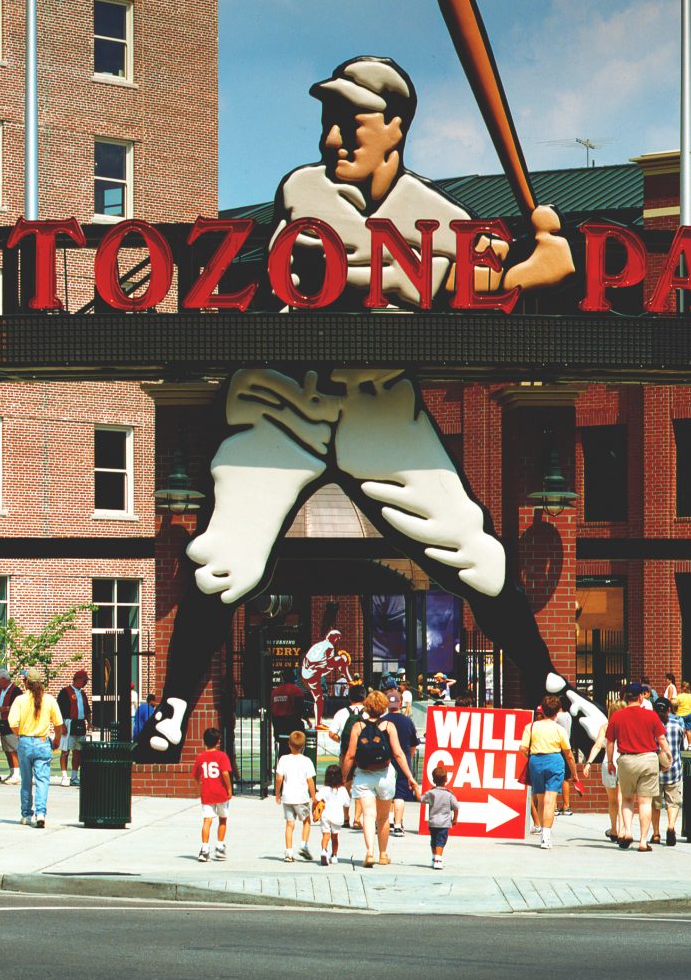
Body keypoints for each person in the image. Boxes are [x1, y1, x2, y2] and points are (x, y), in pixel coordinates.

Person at [151, 54, 577, 761]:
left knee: (474, 551)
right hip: (288, 394)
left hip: (378, 400)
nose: (333, 138)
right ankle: (169, 707)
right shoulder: (307, 188)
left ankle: (551, 689)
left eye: (351, 121)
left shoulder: (438, 213)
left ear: (396, 128)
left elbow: (470, 268)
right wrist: (506, 274)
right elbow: (361, 270)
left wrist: (540, 269)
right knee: (226, 559)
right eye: (329, 120)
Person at [341, 689, 420, 868]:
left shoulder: (358, 727)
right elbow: (399, 754)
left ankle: (369, 852)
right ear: (384, 707)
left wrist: (343, 777)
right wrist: (410, 777)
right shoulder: (388, 726)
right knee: (383, 817)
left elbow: (350, 755)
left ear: (367, 707)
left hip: (363, 774)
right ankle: (383, 854)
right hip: (385, 774)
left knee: (368, 814)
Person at [605, 689, 669, 851]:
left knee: (627, 799)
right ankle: (642, 842)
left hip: (626, 760)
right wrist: (668, 756)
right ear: (641, 697)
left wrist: (611, 761)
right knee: (645, 801)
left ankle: (626, 832)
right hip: (648, 759)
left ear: (626, 698)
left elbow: (610, 742)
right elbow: (661, 739)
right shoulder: (651, 715)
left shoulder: (617, 716)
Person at [521, 691, 582, 850]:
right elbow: (568, 754)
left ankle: (542, 830)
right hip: (555, 760)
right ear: (556, 712)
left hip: (535, 761)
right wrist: (574, 774)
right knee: (550, 800)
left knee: (541, 800)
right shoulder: (559, 729)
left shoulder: (531, 726)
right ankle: (546, 836)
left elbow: (523, 748)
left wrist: (532, 754)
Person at [9, 666, 64, 827]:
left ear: (26, 682)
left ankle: (26, 814)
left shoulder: (20, 700)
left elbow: (12, 722)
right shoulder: (49, 699)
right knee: (42, 780)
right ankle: (41, 813)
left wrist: (20, 733)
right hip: (42, 741)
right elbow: (59, 723)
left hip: (25, 741)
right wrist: (57, 739)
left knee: (26, 780)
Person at [274, 728, 318, 862]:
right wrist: (314, 796)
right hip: (302, 798)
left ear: (289, 744)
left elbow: (279, 778)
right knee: (306, 821)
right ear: (303, 746)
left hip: (287, 797)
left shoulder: (283, 759)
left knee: (289, 824)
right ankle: (303, 844)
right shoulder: (307, 761)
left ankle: (288, 852)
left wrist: (277, 793)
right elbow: (310, 780)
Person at [193, 726, 234, 861]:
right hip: (221, 792)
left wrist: (200, 786)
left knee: (207, 820)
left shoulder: (201, 757)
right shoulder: (222, 756)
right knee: (222, 819)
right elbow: (225, 773)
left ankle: (204, 849)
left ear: (204, 741)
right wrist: (229, 788)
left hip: (207, 793)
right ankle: (220, 847)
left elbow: (196, 776)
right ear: (218, 742)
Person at [595, 689, 629, 845]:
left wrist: (588, 762)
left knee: (612, 800)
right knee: (623, 798)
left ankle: (614, 829)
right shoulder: (629, 725)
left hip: (608, 762)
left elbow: (598, 745)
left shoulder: (606, 726)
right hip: (624, 760)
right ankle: (623, 830)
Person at [386, 689, 420, 840]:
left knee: (386, 794)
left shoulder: (383, 721)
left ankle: (386, 821)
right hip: (403, 762)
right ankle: (398, 825)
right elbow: (414, 744)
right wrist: (408, 758)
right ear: (400, 703)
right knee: (399, 794)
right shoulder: (408, 721)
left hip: (386, 761)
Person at [653, 692, 687, 846]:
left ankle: (655, 834)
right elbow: (681, 745)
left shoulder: (651, 727)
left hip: (654, 771)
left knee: (655, 804)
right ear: (669, 710)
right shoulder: (678, 725)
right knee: (673, 803)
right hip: (674, 769)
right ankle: (671, 826)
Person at [57, 669, 92, 785]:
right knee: (65, 750)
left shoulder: (83, 694)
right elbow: (59, 710)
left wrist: (89, 722)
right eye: (84, 681)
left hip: (80, 723)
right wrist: (62, 725)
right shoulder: (65, 692)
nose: (85, 683)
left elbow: (87, 710)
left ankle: (74, 777)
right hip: (69, 723)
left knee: (78, 751)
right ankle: (64, 776)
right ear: (77, 680)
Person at [425, 764, 459, 870]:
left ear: (433, 780)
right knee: (441, 841)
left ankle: (434, 858)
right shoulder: (449, 794)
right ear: (446, 780)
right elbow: (456, 807)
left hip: (432, 822)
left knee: (433, 841)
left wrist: (416, 789)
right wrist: (455, 819)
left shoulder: (431, 793)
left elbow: (421, 799)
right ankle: (438, 860)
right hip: (444, 823)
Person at [317, 765, 349, 866]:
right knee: (335, 837)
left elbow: (316, 799)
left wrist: (315, 809)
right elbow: (347, 804)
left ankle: (324, 850)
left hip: (325, 815)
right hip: (337, 816)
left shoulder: (324, 789)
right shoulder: (343, 790)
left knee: (325, 835)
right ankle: (334, 855)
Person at [0, 672, 21, 785]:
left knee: (13, 749)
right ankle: (11, 772)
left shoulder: (16, 691)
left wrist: (4, 708)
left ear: (5, 679)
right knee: (6, 749)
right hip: (1, 722)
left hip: (11, 722)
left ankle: (16, 774)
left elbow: (18, 706)